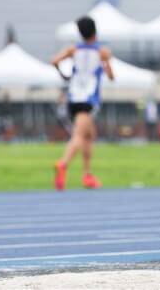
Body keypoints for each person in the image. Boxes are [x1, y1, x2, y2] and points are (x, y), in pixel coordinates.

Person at [51, 16, 114, 190]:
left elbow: (54, 61)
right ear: (95, 31)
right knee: (79, 136)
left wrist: (63, 75)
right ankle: (63, 163)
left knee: (89, 135)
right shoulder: (103, 52)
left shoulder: (73, 50)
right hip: (88, 99)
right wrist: (106, 69)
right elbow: (110, 76)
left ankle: (87, 175)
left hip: (73, 97)